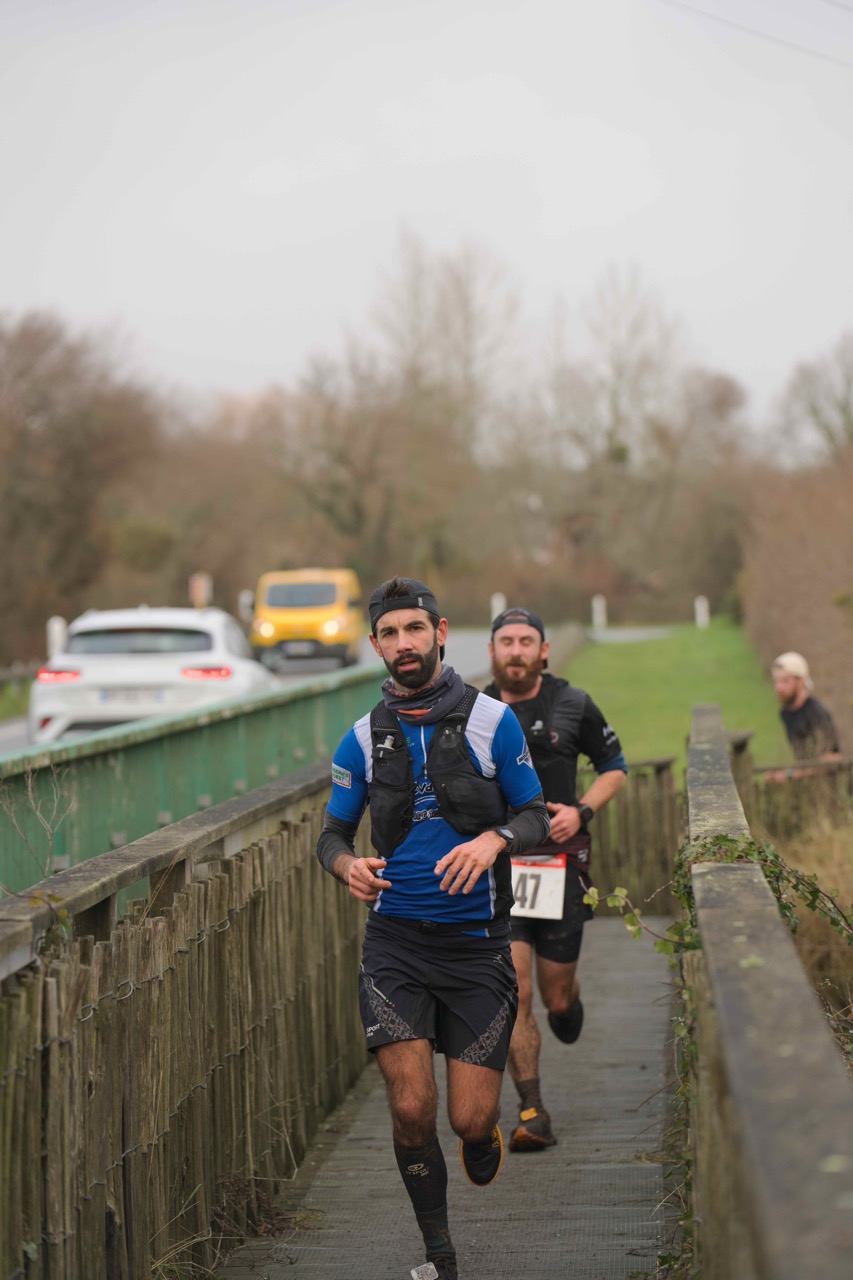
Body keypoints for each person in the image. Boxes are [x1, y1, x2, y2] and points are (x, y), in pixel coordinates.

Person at [316, 577, 549, 1280]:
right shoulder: (361, 738)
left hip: (476, 946)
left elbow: (535, 815)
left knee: (468, 1121)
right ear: (375, 645)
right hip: (395, 944)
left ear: (440, 632)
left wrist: (493, 840)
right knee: (411, 1106)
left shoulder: (492, 721)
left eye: (414, 629)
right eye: (389, 634)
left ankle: (482, 1137)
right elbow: (331, 835)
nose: (403, 643)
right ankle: (439, 1254)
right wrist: (347, 866)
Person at [483, 607, 627, 1153]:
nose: (516, 650)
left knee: (555, 997)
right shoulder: (474, 711)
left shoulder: (573, 703)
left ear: (543, 651)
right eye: (506, 641)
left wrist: (581, 811)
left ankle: (568, 1004)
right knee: (514, 991)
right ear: (492, 651)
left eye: (526, 641)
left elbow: (614, 766)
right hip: (501, 866)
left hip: (561, 865)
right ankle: (532, 1110)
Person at [771, 651, 841, 768]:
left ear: (801, 682)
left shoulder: (816, 712)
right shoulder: (785, 713)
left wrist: (792, 774)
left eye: (785, 681)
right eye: (776, 681)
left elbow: (834, 757)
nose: (779, 687)